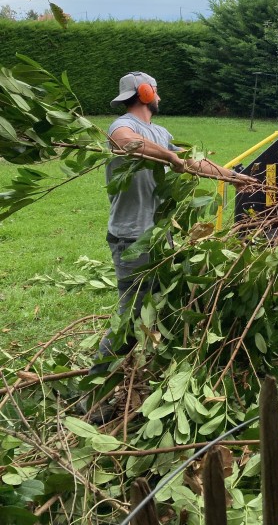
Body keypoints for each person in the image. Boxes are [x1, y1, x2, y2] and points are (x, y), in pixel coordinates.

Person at [96, 70, 252, 367]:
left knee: (164, 307)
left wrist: (232, 177)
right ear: (144, 93)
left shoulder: (162, 133)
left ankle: (149, 371)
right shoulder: (121, 126)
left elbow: (191, 161)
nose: (159, 95)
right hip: (133, 238)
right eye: (156, 90)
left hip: (160, 235)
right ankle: (94, 390)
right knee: (132, 318)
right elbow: (127, 144)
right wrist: (169, 158)